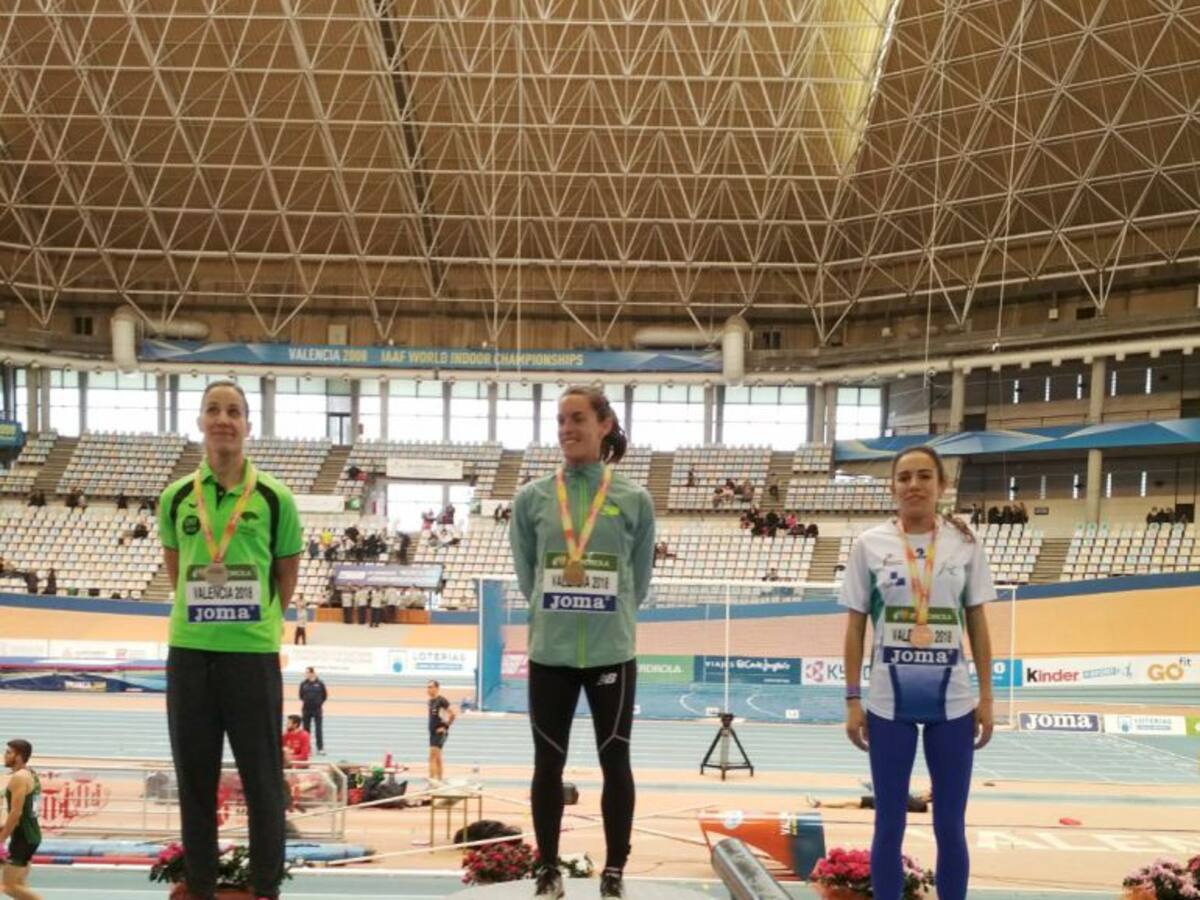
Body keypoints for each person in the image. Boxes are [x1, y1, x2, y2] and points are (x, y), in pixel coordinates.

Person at [158, 379, 302, 900]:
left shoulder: (275, 498)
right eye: (214, 410)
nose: (223, 419)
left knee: (262, 780)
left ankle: (265, 889)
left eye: (234, 411)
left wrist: (253, 623)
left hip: (251, 655)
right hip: (190, 653)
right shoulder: (176, 497)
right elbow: (178, 572)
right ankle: (201, 887)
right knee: (195, 781)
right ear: (200, 421)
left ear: (247, 425)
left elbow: (286, 576)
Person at [510, 386, 655, 900]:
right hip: (550, 653)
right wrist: (560, 610)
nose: (567, 429)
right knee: (547, 764)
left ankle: (614, 872)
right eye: (560, 421)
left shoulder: (633, 499)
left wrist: (603, 615)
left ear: (604, 424)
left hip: (611, 652)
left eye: (577, 419)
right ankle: (548, 870)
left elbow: (639, 578)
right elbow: (528, 574)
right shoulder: (531, 498)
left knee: (615, 761)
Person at [840, 445, 995, 900]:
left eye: (924, 476)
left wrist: (987, 697)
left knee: (950, 824)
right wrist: (852, 699)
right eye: (904, 477)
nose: (914, 485)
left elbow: (978, 623)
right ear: (893, 486)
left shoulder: (965, 544)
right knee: (889, 822)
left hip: (954, 704)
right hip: (889, 703)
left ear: (941, 485)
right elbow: (854, 628)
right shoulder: (869, 545)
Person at [0, 738, 42, 900]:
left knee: (9, 886)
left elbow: (16, 813)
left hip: (23, 837)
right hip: (30, 835)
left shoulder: (20, 777)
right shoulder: (31, 773)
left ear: (19, 756)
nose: (5, 755)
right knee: (19, 883)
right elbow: (27, 810)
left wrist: (1, 839)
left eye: (9, 752)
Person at [806, 787, 932, 814]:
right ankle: (821, 803)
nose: (925, 791)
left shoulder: (920, 804)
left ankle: (820, 803)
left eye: (927, 792)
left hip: (885, 801)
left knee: (850, 802)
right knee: (851, 803)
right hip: (885, 801)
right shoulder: (919, 801)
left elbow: (903, 795)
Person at [426, 680, 455, 783]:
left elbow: (452, 714)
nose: (428, 689)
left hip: (439, 733)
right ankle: (439, 780)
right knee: (437, 758)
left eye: (431, 687)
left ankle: (432, 781)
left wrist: (445, 727)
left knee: (432, 757)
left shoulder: (441, 700)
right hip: (432, 732)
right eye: (427, 687)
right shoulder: (430, 701)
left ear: (437, 688)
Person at [299, 667, 327, 755]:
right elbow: (301, 696)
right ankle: (307, 749)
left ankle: (320, 748)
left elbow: (324, 696)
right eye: (305, 672)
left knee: (318, 729)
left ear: (312, 673)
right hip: (306, 709)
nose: (305, 674)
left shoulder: (320, 683)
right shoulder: (303, 684)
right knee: (306, 730)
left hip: (317, 710)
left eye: (307, 672)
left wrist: (318, 703)